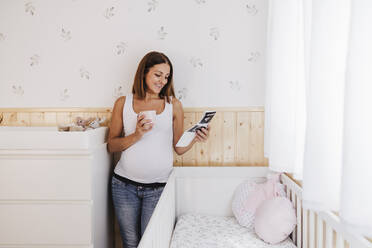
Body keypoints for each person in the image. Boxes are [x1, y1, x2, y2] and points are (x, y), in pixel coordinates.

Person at [107, 51, 210, 248]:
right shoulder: (123, 103)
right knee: (130, 242)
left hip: (158, 188)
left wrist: (196, 138)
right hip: (123, 186)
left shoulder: (174, 105)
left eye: (167, 76)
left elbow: (178, 149)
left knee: (152, 243)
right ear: (144, 72)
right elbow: (112, 145)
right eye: (158, 74)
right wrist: (137, 134)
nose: (163, 80)